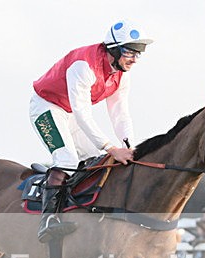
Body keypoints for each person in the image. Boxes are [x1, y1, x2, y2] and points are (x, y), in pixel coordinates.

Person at [30, 20, 151, 243]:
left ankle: (77, 210)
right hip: (47, 107)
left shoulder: (122, 74)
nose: (134, 59)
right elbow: (82, 114)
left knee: (94, 160)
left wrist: (128, 146)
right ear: (114, 50)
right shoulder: (83, 66)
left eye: (138, 54)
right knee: (67, 159)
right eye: (129, 52)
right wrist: (111, 148)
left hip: (70, 112)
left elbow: (120, 114)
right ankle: (48, 220)